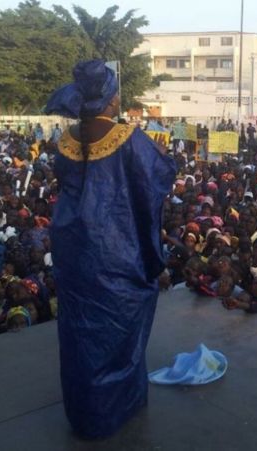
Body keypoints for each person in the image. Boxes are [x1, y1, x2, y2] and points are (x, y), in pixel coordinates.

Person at [45, 60, 176, 439]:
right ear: (109, 98)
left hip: (73, 250)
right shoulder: (128, 138)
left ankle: (84, 412)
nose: (119, 97)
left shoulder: (67, 139)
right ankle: (115, 408)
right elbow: (157, 179)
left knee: (80, 332)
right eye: (117, 91)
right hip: (116, 250)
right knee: (117, 329)